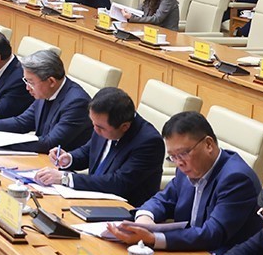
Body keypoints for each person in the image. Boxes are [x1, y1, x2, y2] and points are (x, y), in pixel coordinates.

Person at [107, 111, 260, 252]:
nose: (179, 163)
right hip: (188, 249)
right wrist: (145, 218)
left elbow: (212, 234)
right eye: (173, 157)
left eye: (183, 154)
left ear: (208, 144)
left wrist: (153, 238)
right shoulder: (185, 169)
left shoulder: (236, 180)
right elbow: (163, 199)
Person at [30, 87, 164, 206]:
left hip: (123, 209)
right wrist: (69, 158)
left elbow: (118, 183)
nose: (94, 129)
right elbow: (89, 151)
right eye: (93, 123)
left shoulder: (149, 142)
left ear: (124, 126)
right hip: (92, 198)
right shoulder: (103, 123)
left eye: (100, 127)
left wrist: (65, 178)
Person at [0, 48, 91, 153]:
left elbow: (50, 143)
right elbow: (22, 122)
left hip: (61, 163)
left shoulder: (77, 103)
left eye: (31, 82)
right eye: (26, 81)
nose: (27, 87)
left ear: (51, 81)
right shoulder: (45, 91)